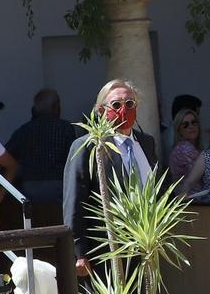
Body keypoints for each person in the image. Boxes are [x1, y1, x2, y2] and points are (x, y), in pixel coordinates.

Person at [63, 79, 157, 279]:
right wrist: (79, 252)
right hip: (105, 247)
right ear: (101, 110)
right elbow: (74, 202)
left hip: (144, 244)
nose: (124, 109)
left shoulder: (146, 143)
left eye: (129, 103)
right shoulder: (88, 147)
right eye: (116, 104)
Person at [3, 87, 80, 208]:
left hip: (30, 187)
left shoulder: (24, 130)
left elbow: (5, 156)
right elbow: (75, 159)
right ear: (55, 106)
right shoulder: (66, 128)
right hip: (59, 185)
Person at [165, 106, 203, 184]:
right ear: (179, 130)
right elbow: (208, 173)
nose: (191, 126)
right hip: (191, 195)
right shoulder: (184, 149)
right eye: (185, 125)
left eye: (194, 122)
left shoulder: (191, 147)